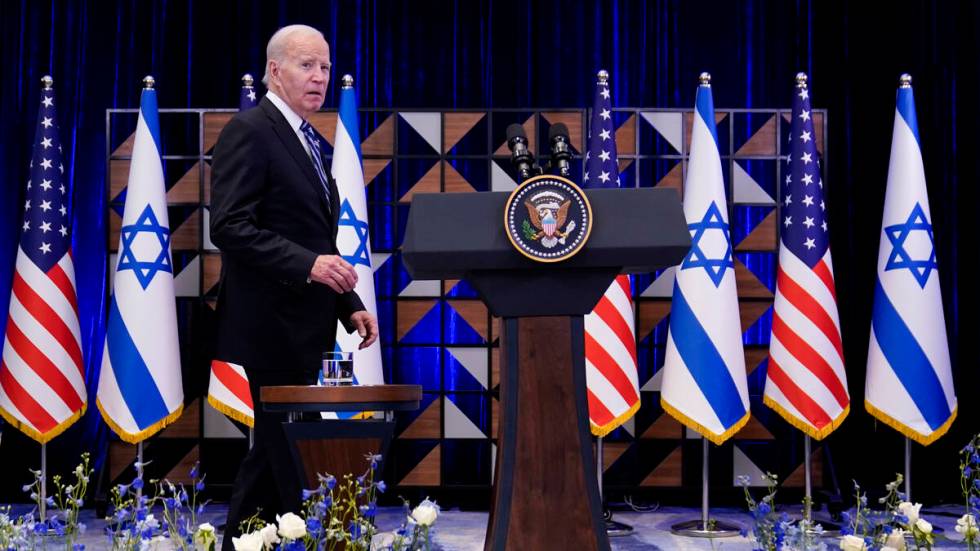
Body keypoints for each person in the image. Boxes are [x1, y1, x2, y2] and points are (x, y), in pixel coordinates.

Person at [209, 24, 379, 548]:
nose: (320, 77)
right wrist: (310, 266)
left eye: (325, 66)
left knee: (278, 452)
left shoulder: (310, 139)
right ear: (275, 70)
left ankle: (254, 540)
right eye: (307, 65)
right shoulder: (250, 130)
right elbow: (230, 226)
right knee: (281, 451)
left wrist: (349, 302)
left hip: (304, 328)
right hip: (269, 327)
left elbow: (316, 238)